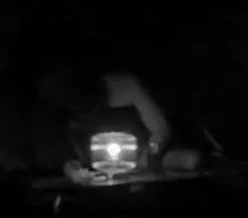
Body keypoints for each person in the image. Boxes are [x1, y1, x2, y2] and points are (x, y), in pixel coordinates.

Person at [26, 66, 203, 181]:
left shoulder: (124, 87)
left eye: (84, 105)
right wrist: (72, 170)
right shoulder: (59, 113)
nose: (84, 111)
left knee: (190, 160)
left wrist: (149, 155)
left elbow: (160, 129)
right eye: (76, 108)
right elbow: (62, 156)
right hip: (94, 169)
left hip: (145, 160)